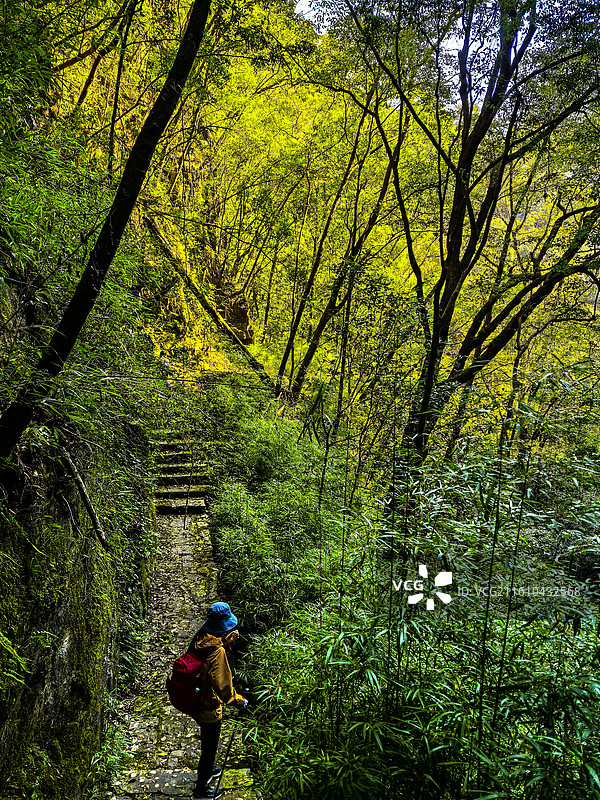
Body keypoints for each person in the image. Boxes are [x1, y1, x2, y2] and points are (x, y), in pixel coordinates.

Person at [188, 602, 247, 800]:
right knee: (209, 747)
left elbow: (208, 662)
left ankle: (210, 769)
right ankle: (201, 790)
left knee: (207, 742)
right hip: (207, 704)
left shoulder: (201, 637)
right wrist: (240, 701)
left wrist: (226, 643)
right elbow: (223, 689)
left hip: (195, 696)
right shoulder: (216, 651)